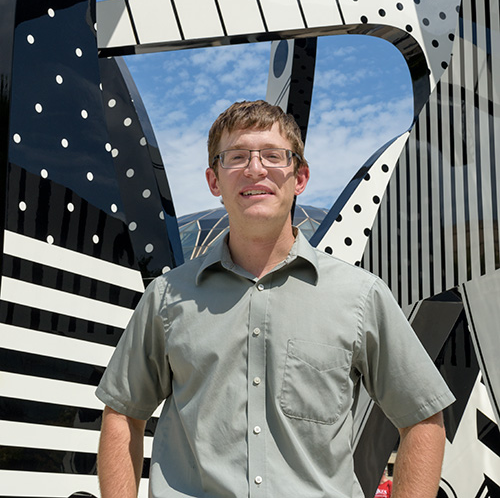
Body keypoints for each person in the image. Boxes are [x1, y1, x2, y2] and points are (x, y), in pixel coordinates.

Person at [96, 99, 455, 498]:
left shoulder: (359, 296)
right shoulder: (167, 297)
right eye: (236, 157)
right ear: (214, 181)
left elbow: (422, 418)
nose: (255, 169)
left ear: (299, 177)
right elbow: (122, 414)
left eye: (273, 155)